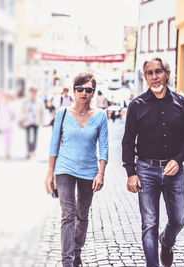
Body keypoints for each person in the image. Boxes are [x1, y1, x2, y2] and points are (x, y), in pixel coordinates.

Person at [122, 57, 184, 267]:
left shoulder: (181, 103)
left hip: (174, 171)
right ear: (145, 77)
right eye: (150, 73)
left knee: (180, 218)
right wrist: (131, 172)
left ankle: (167, 241)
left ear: (167, 74)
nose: (155, 77)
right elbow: (128, 142)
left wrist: (179, 159)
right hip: (146, 170)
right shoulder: (137, 106)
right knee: (149, 224)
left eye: (159, 71)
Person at [45, 73, 108, 267]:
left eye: (88, 90)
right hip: (65, 169)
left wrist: (101, 172)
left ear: (93, 93)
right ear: (74, 91)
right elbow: (54, 143)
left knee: (82, 215)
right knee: (68, 214)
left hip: (89, 171)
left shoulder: (100, 116)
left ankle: (76, 251)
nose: (84, 93)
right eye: (80, 89)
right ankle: (67, 261)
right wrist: (50, 172)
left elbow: (104, 147)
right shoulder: (62, 114)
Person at [20, 87, 44, 159]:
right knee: (28, 137)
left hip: (36, 121)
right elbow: (22, 110)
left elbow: (42, 112)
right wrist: (22, 119)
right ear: (30, 92)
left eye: (35, 92)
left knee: (34, 137)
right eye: (32, 92)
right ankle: (28, 151)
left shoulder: (39, 102)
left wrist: (42, 121)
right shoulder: (26, 101)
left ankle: (33, 150)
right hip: (27, 121)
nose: (33, 94)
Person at [0, 92, 16, 159]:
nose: (7, 98)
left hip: (10, 124)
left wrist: (12, 115)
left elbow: (15, 114)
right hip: (3, 124)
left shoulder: (12, 105)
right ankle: (5, 152)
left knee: (9, 139)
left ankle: (8, 152)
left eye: (8, 97)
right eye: (6, 97)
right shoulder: (1, 105)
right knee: (4, 140)